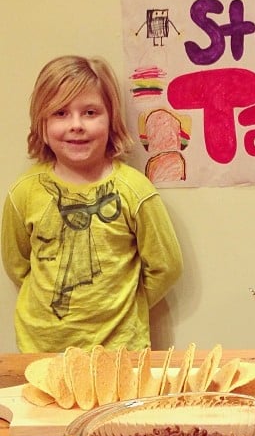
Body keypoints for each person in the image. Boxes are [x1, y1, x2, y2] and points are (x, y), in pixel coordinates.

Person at [1, 55, 183, 352]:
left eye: (89, 112)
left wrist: (126, 305)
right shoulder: (22, 193)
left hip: (120, 350)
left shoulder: (135, 190)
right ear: (42, 124)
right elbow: (17, 265)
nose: (76, 125)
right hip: (41, 348)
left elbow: (166, 267)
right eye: (60, 113)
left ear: (111, 119)